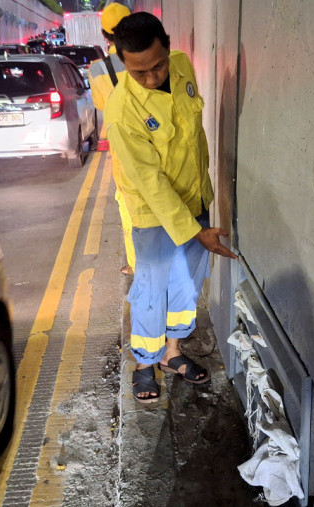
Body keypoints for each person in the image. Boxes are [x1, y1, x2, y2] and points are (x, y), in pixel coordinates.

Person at [106, 12, 238, 403]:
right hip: (152, 213)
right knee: (152, 289)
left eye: (157, 65)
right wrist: (196, 230)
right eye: (139, 72)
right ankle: (144, 364)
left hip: (194, 201)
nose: (152, 77)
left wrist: (200, 213)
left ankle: (172, 354)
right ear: (123, 64)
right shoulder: (122, 111)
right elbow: (150, 183)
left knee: (187, 284)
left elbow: (191, 138)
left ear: (167, 45)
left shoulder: (181, 66)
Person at [87, 2, 135, 276]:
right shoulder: (151, 56)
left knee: (129, 207)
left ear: (105, 36)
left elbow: (101, 104)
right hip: (158, 140)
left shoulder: (97, 70)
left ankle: (137, 263)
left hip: (124, 150)